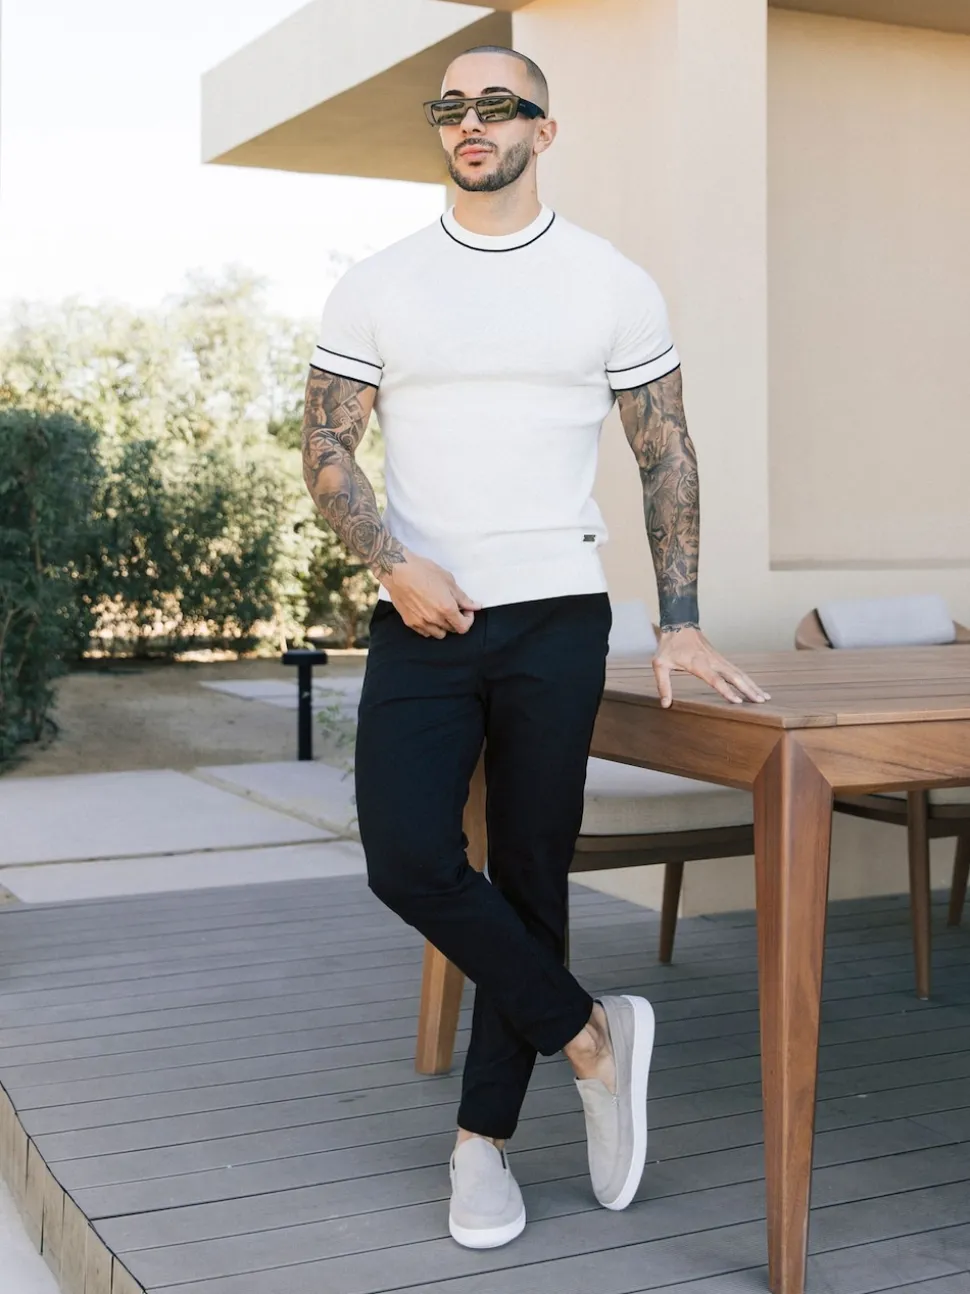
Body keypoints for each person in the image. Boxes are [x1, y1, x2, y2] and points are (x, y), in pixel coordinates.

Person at [301, 44, 767, 1250]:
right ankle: (591, 1037)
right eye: (451, 105)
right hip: (422, 613)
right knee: (406, 858)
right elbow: (326, 448)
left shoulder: (610, 283)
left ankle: (482, 1147)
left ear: (542, 131)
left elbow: (665, 451)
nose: (471, 121)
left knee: (528, 873)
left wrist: (678, 619)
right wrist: (393, 562)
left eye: (497, 104)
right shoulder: (379, 283)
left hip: (557, 613)